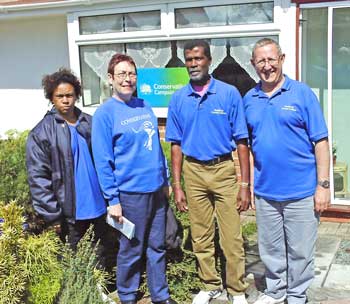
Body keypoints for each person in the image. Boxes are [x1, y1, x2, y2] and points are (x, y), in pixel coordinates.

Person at [243, 38, 330, 304]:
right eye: (261, 61)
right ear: (253, 64)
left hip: (302, 191)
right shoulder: (249, 99)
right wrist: (246, 185)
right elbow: (245, 145)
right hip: (267, 191)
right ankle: (276, 292)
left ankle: (297, 296)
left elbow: (321, 142)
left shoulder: (302, 94)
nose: (267, 66)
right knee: (270, 250)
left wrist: (323, 186)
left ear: (282, 59)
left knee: (301, 252)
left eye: (272, 59)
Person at [165, 39, 250, 304]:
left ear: (209, 60)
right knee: (200, 235)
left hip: (223, 169)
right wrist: (177, 185)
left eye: (198, 58)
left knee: (231, 237)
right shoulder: (178, 99)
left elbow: (242, 141)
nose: (193, 64)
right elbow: (175, 145)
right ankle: (210, 284)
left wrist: (245, 185)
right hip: (193, 172)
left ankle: (236, 289)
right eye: (189, 59)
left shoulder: (228, 94)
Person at [91, 53, 177, 304]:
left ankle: (160, 295)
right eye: (122, 74)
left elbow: (156, 149)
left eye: (131, 74)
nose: (127, 79)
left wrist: (167, 180)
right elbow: (103, 161)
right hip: (130, 195)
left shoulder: (144, 105)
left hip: (156, 190)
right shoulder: (105, 114)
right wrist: (112, 199)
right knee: (131, 249)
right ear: (110, 79)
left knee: (157, 246)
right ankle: (127, 296)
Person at [26, 68, 107, 256]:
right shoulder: (41, 133)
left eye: (69, 95)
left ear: (76, 95)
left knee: (100, 261)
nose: (65, 100)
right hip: (69, 214)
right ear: (51, 98)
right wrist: (53, 216)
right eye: (60, 96)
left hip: (98, 208)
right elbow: (38, 179)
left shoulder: (90, 123)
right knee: (73, 265)